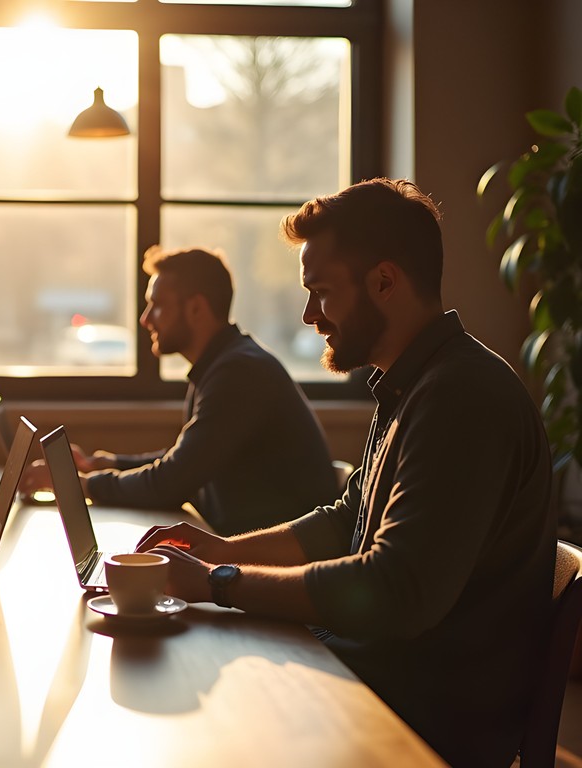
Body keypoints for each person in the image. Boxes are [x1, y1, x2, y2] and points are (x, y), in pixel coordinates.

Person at [135, 178, 556, 767]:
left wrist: (219, 581)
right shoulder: (412, 384)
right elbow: (345, 519)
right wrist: (221, 551)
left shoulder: (462, 397)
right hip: (382, 671)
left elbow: (396, 590)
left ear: (384, 282)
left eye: (322, 292)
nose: (309, 315)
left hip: (421, 718)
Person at [21, 245, 338, 536]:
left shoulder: (238, 373)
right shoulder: (226, 364)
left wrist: (79, 486)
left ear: (197, 309)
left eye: (157, 306)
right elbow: (186, 462)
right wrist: (107, 464)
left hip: (272, 571)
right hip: (241, 548)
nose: (146, 320)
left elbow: (171, 482)